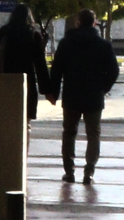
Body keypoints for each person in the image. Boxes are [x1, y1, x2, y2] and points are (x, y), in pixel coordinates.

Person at [48, 9, 120, 185]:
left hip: (72, 94)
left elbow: (56, 70)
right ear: (94, 23)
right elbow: (114, 70)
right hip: (94, 96)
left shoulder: (66, 43)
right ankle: (89, 171)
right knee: (93, 133)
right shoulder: (103, 45)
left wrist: (53, 92)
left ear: (78, 22)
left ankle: (69, 170)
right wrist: (104, 87)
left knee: (69, 132)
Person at [0, 4, 51, 145]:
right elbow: (40, 65)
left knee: (6, 122)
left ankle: (7, 154)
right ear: (29, 18)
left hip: (5, 82)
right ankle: (22, 160)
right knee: (25, 124)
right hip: (27, 84)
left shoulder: (4, 32)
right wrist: (47, 90)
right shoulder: (33, 35)